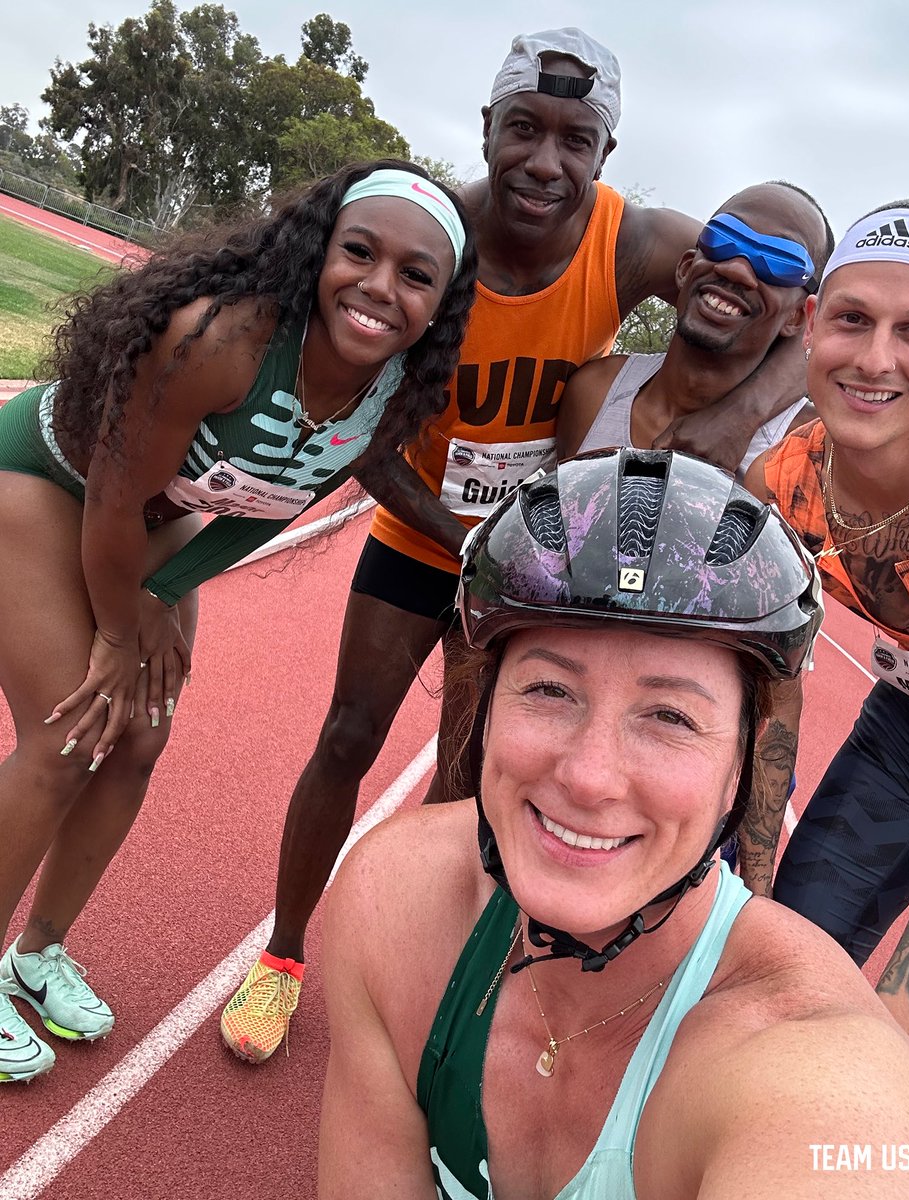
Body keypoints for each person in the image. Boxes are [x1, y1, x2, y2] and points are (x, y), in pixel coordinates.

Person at [223, 27, 812, 1064]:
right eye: (523, 132)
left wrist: (734, 420)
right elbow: (358, 429)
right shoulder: (435, 231)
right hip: (430, 529)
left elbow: (794, 321)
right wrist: (466, 539)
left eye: (575, 141)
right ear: (487, 130)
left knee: (478, 772)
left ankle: (441, 977)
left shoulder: (636, 244)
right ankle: (280, 956)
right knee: (351, 733)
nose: (545, 163)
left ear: (605, 154)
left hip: (547, 560)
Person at [316, 447, 909, 1199]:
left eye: (669, 715)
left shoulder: (835, 1092)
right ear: (485, 706)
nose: (589, 777)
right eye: (550, 689)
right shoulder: (391, 898)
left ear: (741, 772)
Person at [0, 158, 478, 1083]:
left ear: (441, 301)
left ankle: (36, 954)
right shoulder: (220, 339)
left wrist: (167, 587)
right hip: (48, 479)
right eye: (360, 253)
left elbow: (270, 508)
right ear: (318, 252)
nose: (381, 288)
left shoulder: (393, 392)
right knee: (69, 733)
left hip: (156, 525)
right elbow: (107, 494)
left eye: (416, 276)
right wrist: (118, 621)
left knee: (140, 738)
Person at [742, 198, 909, 1154]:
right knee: (779, 965)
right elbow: (775, 678)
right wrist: (747, 876)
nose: (875, 358)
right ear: (809, 326)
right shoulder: (784, 479)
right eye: (853, 319)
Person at [557, 181, 833, 476]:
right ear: (686, 267)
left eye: (780, 260)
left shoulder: (813, 452)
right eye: (724, 236)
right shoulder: (594, 394)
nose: (736, 269)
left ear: (797, 317)